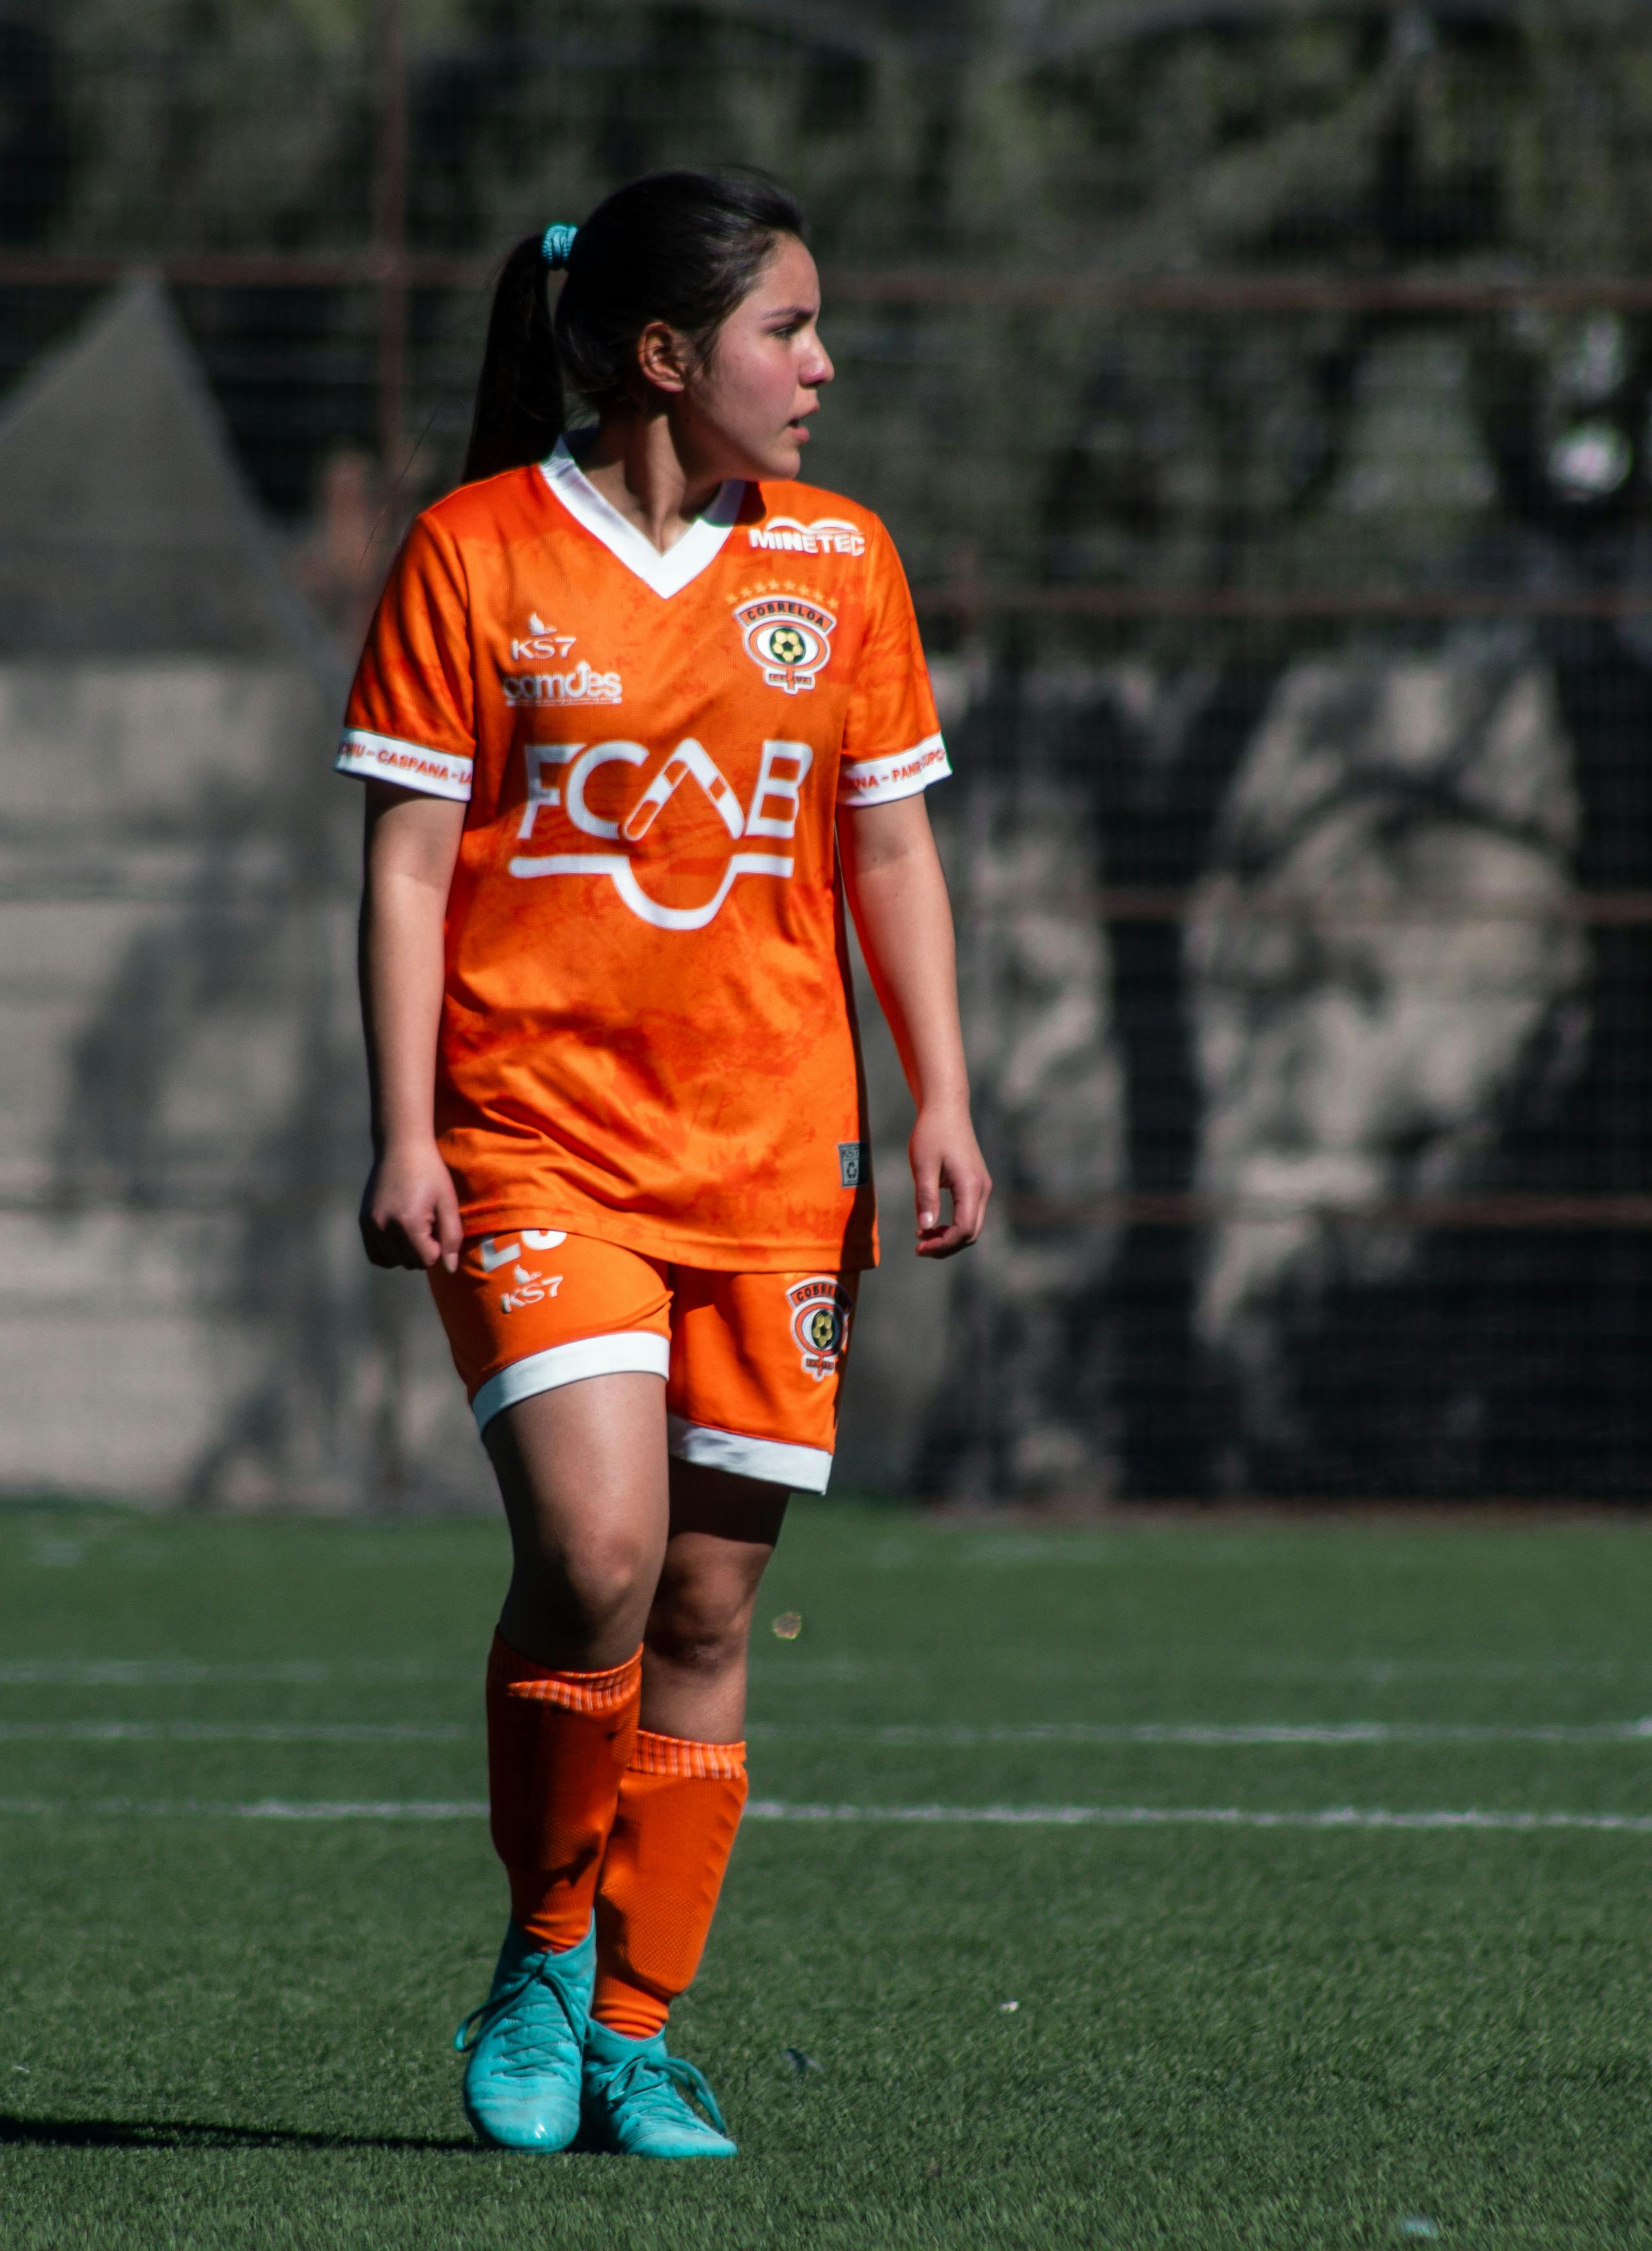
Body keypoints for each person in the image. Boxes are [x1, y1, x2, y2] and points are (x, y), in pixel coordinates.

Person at [339, 165, 988, 2161]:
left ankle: (636, 2026)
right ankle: (541, 1959)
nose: (820, 366)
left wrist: (943, 1096)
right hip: (535, 1147)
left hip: (781, 1161)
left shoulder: (841, 567)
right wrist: (401, 1128)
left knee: (705, 1613)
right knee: (597, 1555)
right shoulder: (472, 556)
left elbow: (887, 846)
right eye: (785, 330)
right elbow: (407, 863)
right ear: (660, 355)